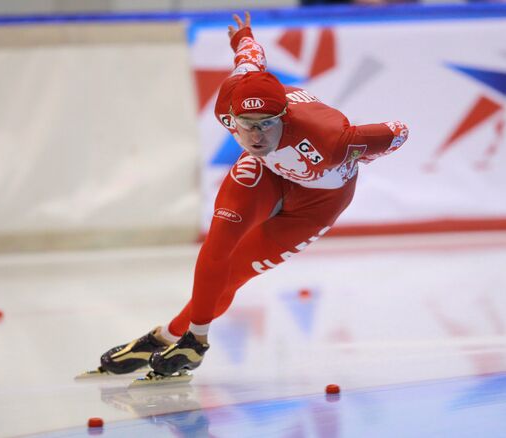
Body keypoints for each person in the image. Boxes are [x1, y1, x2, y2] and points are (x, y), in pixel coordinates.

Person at [99, 12, 409, 377]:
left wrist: (363, 155)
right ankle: (191, 341)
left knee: (235, 273)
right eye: (246, 126)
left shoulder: (332, 140)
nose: (256, 136)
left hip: (319, 201)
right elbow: (249, 57)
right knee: (218, 247)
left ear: (285, 117)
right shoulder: (228, 103)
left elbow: (400, 131)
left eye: (266, 125)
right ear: (232, 117)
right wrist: (242, 35)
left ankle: (168, 335)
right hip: (268, 173)